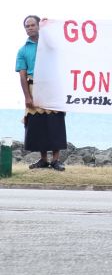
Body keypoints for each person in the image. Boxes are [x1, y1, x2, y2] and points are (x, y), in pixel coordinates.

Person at [16, 16, 67, 171]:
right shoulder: (23, 50)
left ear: (39, 26)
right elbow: (22, 75)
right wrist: (27, 97)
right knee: (38, 123)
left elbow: (61, 45)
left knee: (55, 121)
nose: (30, 28)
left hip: (52, 86)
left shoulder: (51, 44)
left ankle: (56, 160)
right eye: (27, 26)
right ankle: (44, 159)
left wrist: (49, 27)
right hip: (34, 86)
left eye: (33, 25)